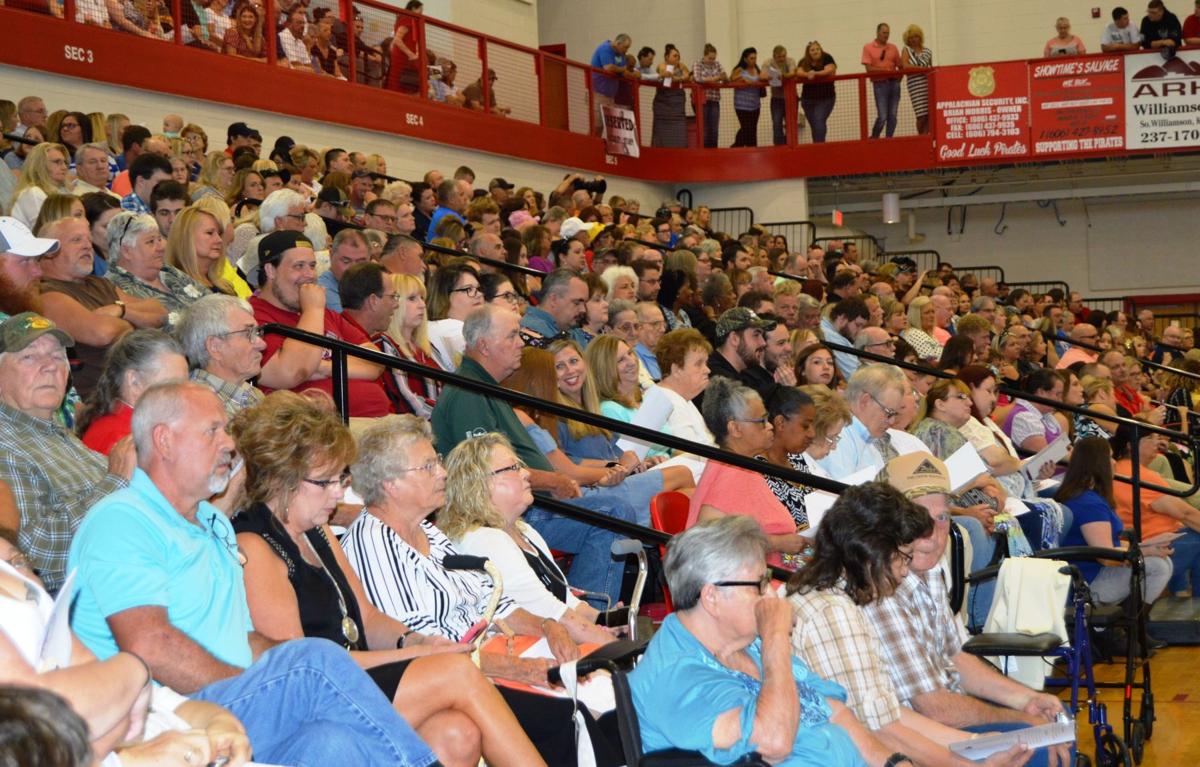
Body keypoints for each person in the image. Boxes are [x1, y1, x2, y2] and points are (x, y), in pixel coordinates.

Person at [66, 381, 441, 766]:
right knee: (316, 661)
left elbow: (244, 637)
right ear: (163, 441)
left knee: (332, 742)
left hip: (228, 697)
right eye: (212, 431)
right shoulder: (123, 519)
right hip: (156, 715)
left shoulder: (213, 523)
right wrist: (263, 682)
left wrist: (284, 672)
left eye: (225, 430)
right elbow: (149, 646)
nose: (228, 443)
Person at [227, 393, 549, 767]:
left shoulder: (317, 529)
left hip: (352, 676)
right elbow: (305, 672)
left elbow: (367, 617)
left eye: (340, 478)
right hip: (319, 697)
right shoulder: (256, 547)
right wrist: (416, 653)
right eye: (326, 482)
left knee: (456, 732)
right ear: (282, 479)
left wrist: (415, 639)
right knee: (456, 671)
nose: (339, 493)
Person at [341, 415, 620, 765]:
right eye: (428, 466)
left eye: (438, 462)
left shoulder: (430, 533)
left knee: (608, 693)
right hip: (463, 676)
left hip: (493, 657)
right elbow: (426, 651)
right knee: (569, 712)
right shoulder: (375, 545)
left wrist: (550, 626)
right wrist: (517, 668)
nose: (442, 473)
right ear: (391, 484)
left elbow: (498, 602)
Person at [863, 455, 1069, 767]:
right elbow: (933, 707)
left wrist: (1026, 700)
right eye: (917, 517)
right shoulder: (879, 585)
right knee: (1037, 745)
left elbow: (956, 656)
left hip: (942, 714)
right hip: (909, 736)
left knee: (1055, 719)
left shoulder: (931, 568)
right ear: (882, 523)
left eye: (943, 517)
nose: (933, 531)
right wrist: (1021, 719)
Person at [629, 515, 880, 766]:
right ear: (712, 597)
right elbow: (773, 741)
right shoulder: (676, 675)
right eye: (759, 585)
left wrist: (894, 763)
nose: (770, 594)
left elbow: (834, 710)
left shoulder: (746, 644)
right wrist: (776, 636)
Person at [0, 312, 135, 593]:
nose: (50, 366)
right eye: (29, 357)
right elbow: (36, 558)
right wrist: (116, 481)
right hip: (85, 608)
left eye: (58, 357)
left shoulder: (56, 433)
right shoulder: (6, 445)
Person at [440, 431, 616, 644]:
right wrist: (619, 649)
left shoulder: (524, 531)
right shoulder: (484, 541)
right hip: (530, 653)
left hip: (554, 642)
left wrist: (613, 621)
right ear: (480, 485)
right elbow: (553, 614)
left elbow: (569, 604)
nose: (525, 473)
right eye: (513, 468)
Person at [249, 230, 390, 417]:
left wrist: (322, 366)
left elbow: (376, 362)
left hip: (376, 421)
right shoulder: (254, 317)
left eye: (312, 265)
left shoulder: (326, 314)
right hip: (319, 430)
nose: (309, 275)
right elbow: (292, 373)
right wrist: (313, 310)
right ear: (270, 270)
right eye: (298, 266)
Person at [38, 217, 167, 397]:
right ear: (48, 251)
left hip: (138, 385)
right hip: (101, 399)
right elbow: (102, 333)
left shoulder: (98, 283)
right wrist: (132, 324)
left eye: (89, 240)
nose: (87, 246)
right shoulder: (45, 292)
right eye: (76, 240)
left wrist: (121, 310)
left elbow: (159, 312)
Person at [688, 376, 807, 568]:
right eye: (761, 421)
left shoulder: (739, 464)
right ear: (735, 428)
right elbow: (709, 538)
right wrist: (778, 543)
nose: (769, 426)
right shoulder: (729, 470)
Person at [1056, 437, 1174, 610]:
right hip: (1087, 580)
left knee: (1162, 561)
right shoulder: (1087, 502)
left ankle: (1130, 623)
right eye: (1110, 458)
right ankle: (1125, 624)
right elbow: (1105, 555)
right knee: (1157, 566)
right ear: (1097, 463)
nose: (1114, 463)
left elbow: (1113, 544)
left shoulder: (1086, 495)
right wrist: (1146, 551)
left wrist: (1148, 545)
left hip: (1092, 572)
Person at [78, 329, 188, 455]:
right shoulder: (121, 441)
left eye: (185, 384)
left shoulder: (139, 428)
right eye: (171, 385)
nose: (184, 395)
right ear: (134, 382)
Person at [102, 212, 205, 328]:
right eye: (151, 242)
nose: (161, 248)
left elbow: (208, 298)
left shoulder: (167, 270)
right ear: (127, 251)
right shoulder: (114, 288)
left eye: (159, 239)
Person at [176, 293, 266, 417]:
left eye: (257, 333)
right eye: (248, 334)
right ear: (215, 347)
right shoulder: (201, 409)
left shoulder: (249, 391)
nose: (262, 344)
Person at [426, 260, 484, 371]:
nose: (479, 295)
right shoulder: (454, 330)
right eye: (468, 289)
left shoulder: (432, 326)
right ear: (444, 295)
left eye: (478, 289)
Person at [10, 143, 72, 228]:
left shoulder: (63, 191)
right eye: (57, 162)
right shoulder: (33, 193)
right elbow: (44, 232)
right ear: (40, 165)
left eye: (64, 162)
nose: (64, 167)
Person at [863, 23, 901, 139]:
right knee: (883, 116)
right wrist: (884, 70)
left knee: (893, 116)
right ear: (878, 32)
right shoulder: (868, 47)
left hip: (894, 83)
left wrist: (898, 79)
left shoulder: (893, 48)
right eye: (884, 33)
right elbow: (868, 69)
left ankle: (889, 139)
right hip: (879, 84)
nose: (886, 35)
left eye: (888, 33)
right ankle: (874, 137)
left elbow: (900, 65)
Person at [591, 34, 632, 134]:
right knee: (597, 126)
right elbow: (608, 67)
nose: (626, 51)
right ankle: (591, 147)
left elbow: (624, 71)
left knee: (608, 127)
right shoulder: (604, 48)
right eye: (625, 47)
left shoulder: (620, 54)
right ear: (618, 43)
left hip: (611, 95)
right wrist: (621, 69)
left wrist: (622, 70)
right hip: (598, 92)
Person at [650, 44, 691, 148]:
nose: (678, 57)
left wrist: (676, 79)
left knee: (679, 135)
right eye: (675, 55)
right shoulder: (661, 65)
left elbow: (687, 76)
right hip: (663, 105)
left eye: (678, 55)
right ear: (667, 57)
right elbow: (665, 74)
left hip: (677, 108)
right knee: (661, 135)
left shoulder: (681, 66)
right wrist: (676, 77)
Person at [692, 43, 727, 148]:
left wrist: (724, 77)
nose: (712, 61)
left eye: (714, 58)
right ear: (704, 55)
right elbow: (698, 79)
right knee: (704, 129)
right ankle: (703, 152)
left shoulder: (717, 64)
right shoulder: (697, 64)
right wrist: (716, 78)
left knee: (714, 129)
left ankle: (714, 152)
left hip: (714, 100)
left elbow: (725, 77)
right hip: (702, 101)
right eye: (710, 58)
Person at [899, 25, 932, 134]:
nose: (913, 39)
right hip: (915, 86)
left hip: (927, 85)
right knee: (921, 115)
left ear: (920, 37)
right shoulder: (906, 50)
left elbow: (930, 68)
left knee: (929, 115)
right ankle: (921, 136)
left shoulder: (928, 51)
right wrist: (922, 69)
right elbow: (905, 65)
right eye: (911, 37)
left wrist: (924, 70)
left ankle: (928, 137)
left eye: (915, 37)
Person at [730, 47, 766, 147]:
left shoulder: (757, 69)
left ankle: (752, 149)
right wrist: (744, 79)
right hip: (742, 105)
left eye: (755, 58)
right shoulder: (740, 69)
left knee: (753, 128)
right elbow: (731, 79)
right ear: (745, 59)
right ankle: (737, 146)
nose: (754, 60)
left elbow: (762, 78)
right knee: (746, 128)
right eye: (751, 58)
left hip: (755, 105)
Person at [901, 296, 943, 363]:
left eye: (933, 312)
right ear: (916, 316)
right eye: (927, 312)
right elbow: (930, 360)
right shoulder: (914, 334)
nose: (932, 315)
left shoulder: (929, 334)